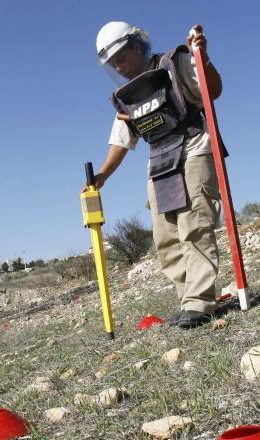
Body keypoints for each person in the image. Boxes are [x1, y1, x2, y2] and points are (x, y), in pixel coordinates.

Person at [89, 21, 223, 328]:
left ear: (137, 46)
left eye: (121, 58)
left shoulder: (173, 65)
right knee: (166, 238)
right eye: (113, 64)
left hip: (192, 149)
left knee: (194, 227)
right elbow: (121, 140)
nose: (119, 67)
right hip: (159, 162)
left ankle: (200, 303)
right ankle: (187, 299)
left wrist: (202, 58)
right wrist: (103, 175)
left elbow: (212, 91)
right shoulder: (128, 96)